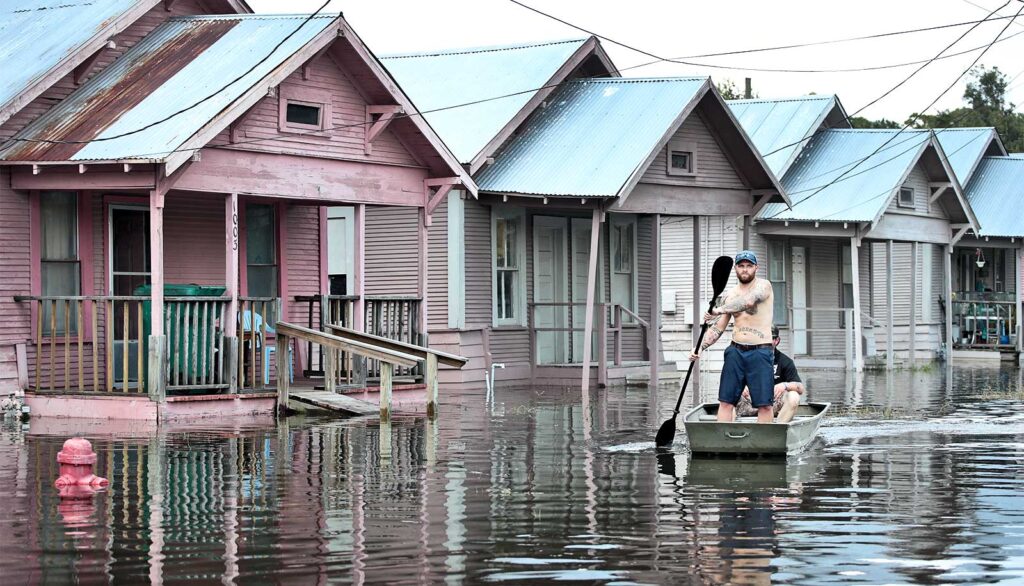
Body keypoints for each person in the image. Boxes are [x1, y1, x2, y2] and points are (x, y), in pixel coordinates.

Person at [689, 250, 774, 423]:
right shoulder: (729, 295)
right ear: (735, 268)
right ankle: (722, 441)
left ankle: (763, 443)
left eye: (749, 266)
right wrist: (699, 348)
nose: (745, 270)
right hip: (735, 352)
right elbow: (718, 327)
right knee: (726, 402)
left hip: (761, 352)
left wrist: (718, 309)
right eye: (741, 266)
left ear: (756, 268)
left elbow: (749, 301)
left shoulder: (764, 286)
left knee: (764, 405)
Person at [735, 325, 805, 423]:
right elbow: (732, 381)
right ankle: (731, 431)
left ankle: (777, 431)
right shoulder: (746, 358)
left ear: (776, 341)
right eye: (763, 338)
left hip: (773, 404)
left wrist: (784, 385)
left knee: (794, 396)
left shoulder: (785, 361)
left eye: (769, 338)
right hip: (749, 402)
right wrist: (741, 386)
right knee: (730, 393)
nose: (765, 341)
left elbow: (800, 388)